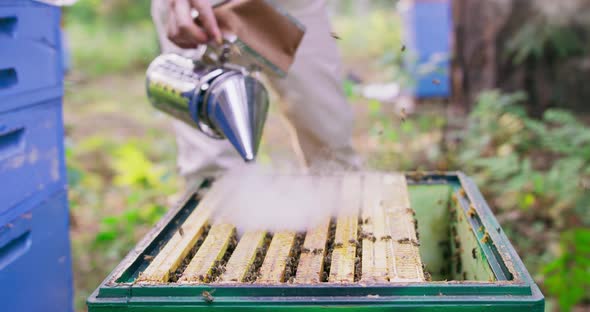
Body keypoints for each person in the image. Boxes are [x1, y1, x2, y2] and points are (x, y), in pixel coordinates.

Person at [151, 0, 361, 186]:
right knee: (216, 173)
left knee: (329, 141)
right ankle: (222, 224)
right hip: (203, 7)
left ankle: (345, 220)